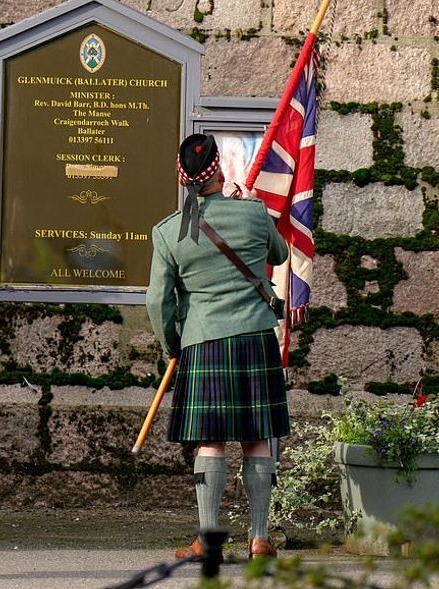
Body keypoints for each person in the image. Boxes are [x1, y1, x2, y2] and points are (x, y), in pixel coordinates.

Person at [145, 133, 290, 561]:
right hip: (255, 338)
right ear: (219, 170)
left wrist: (175, 344)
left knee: (211, 441)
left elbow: (157, 301)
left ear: (182, 176)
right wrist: (246, 202)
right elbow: (280, 255)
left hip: (203, 343)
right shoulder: (253, 214)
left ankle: (209, 542)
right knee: (256, 439)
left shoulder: (169, 232)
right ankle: (260, 538)